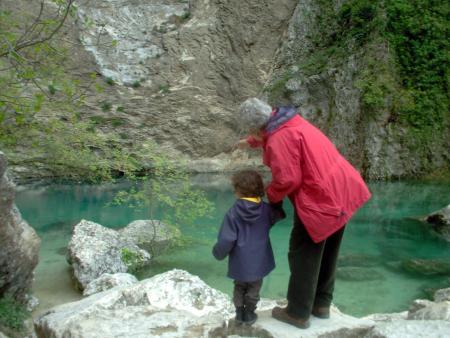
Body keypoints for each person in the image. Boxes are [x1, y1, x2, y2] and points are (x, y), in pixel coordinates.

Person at [236, 98, 371, 329]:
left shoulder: (279, 138)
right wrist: (250, 142)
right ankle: (321, 305)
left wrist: (272, 197)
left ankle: (297, 313)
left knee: (302, 254)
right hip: (342, 189)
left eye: (251, 131)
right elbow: (273, 134)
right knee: (328, 249)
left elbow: (288, 179)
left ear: (255, 127)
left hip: (321, 201)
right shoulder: (290, 121)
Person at [212, 170, 285, 325]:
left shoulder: (233, 213)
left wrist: (217, 253)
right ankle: (250, 313)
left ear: (238, 191)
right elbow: (279, 215)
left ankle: (239, 314)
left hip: (240, 261)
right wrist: (276, 199)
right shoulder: (266, 210)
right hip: (260, 260)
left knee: (239, 286)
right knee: (254, 287)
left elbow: (227, 239)